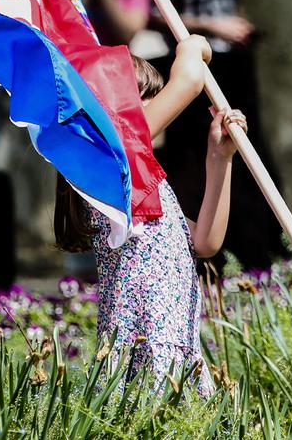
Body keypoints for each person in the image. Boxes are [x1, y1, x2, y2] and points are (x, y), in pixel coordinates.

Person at [54, 35, 246, 396]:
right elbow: (188, 79)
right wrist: (195, 48)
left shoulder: (141, 177)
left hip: (173, 335)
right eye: (140, 97)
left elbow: (204, 242)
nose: (156, 105)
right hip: (147, 338)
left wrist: (219, 159)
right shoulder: (110, 165)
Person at [148, 0, 282, 267]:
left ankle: (257, 250)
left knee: (248, 148)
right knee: (195, 154)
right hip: (193, 65)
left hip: (234, 62)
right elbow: (152, 14)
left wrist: (237, 27)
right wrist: (212, 25)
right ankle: (200, 250)